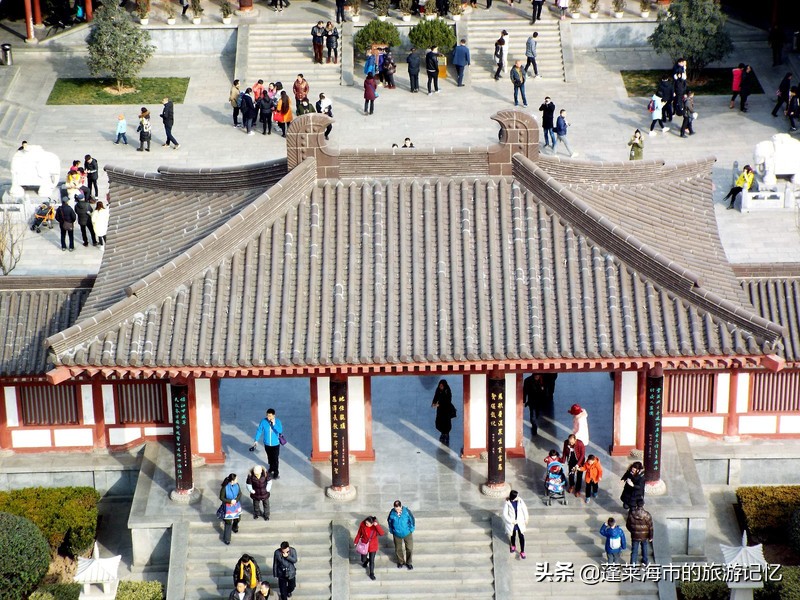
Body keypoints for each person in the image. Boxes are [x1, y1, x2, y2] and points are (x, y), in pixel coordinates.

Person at [251, 408, 284, 479]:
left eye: (270, 416)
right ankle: (271, 468)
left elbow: (280, 430)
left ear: (274, 416)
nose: (268, 417)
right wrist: (256, 440)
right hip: (267, 444)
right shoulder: (263, 421)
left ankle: (276, 472)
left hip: (275, 444)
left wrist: (274, 424)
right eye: (267, 416)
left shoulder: (278, 422)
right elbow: (259, 430)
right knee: (269, 457)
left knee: (275, 458)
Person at [387, 500, 415, 569]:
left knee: (409, 548)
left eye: (398, 508)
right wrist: (391, 530)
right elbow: (389, 521)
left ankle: (409, 562)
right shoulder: (392, 513)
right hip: (396, 534)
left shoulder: (407, 512)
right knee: (398, 549)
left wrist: (411, 529)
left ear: (401, 506)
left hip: (407, 533)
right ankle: (401, 561)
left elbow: (412, 520)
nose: (397, 510)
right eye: (396, 508)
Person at [354, 516, 385, 580]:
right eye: (366, 523)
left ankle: (371, 573)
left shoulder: (375, 527)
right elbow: (359, 534)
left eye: (367, 523)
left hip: (372, 545)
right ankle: (366, 561)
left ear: (372, 524)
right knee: (363, 559)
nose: (366, 524)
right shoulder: (363, 525)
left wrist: (377, 526)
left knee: (372, 560)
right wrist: (356, 542)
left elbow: (382, 533)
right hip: (364, 544)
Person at [502, 490, 529, 559]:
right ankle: (513, 545)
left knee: (521, 536)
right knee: (513, 534)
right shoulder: (507, 503)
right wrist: (511, 521)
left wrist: (526, 518)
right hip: (513, 522)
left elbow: (524, 509)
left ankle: (522, 551)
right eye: (516, 496)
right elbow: (505, 514)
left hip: (520, 521)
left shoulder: (520, 501)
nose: (518, 497)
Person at [626, 501, 654, 566]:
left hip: (635, 535)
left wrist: (633, 531)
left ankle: (632, 565)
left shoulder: (631, 514)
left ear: (636, 505)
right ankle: (645, 561)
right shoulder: (647, 515)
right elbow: (650, 527)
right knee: (644, 548)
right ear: (643, 505)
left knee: (634, 551)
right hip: (644, 535)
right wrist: (651, 537)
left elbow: (628, 525)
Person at [219, 473, 242, 545]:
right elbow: (221, 497)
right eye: (236, 479)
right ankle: (227, 538)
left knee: (238, 518)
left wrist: (236, 500)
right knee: (228, 522)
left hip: (236, 504)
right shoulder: (224, 487)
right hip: (228, 506)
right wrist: (230, 501)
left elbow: (240, 494)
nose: (237, 480)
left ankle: (235, 526)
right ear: (232, 481)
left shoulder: (237, 485)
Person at [431, 379, 456, 446]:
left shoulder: (447, 390)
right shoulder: (438, 390)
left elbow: (448, 400)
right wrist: (434, 403)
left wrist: (440, 404)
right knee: (439, 422)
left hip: (446, 409)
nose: (440, 387)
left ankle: (446, 434)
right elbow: (436, 396)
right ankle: (442, 433)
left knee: (446, 422)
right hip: (440, 410)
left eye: (442, 386)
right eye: (440, 386)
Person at [561, 433, 585, 497]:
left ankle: (577, 490)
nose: (570, 444)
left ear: (575, 440)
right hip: (571, 460)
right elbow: (564, 452)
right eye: (569, 442)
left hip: (579, 461)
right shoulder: (566, 443)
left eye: (572, 442)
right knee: (571, 474)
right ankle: (572, 485)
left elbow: (582, 455)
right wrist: (562, 462)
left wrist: (577, 465)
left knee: (579, 476)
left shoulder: (580, 444)